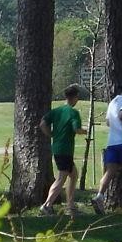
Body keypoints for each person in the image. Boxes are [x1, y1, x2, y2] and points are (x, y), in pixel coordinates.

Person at [91, 79, 122, 214]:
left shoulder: (113, 102)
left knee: (110, 171)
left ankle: (100, 196)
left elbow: (108, 121)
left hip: (111, 143)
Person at [38, 84, 87, 216]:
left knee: (73, 174)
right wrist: (84, 131)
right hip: (65, 149)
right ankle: (47, 205)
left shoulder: (56, 111)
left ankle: (70, 206)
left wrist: (51, 134)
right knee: (61, 177)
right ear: (75, 97)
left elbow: (42, 123)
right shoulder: (74, 113)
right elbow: (76, 129)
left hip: (58, 147)